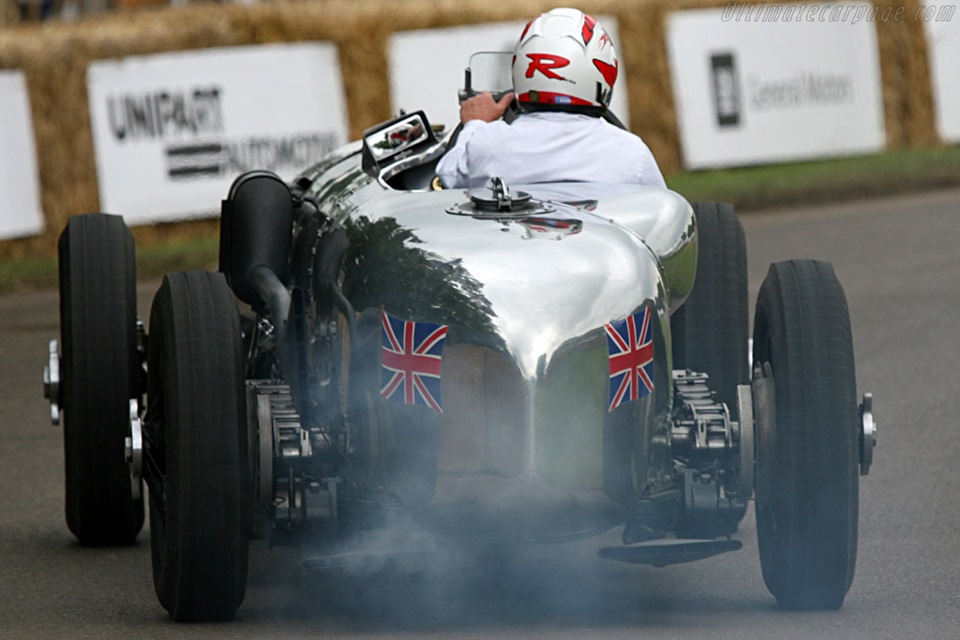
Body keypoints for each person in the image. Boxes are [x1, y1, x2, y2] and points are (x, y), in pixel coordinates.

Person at [436, 7, 666, 190]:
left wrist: (475, 123)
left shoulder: (488, 144)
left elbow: (448, 175)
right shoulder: (630, 152)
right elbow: (663, 216)